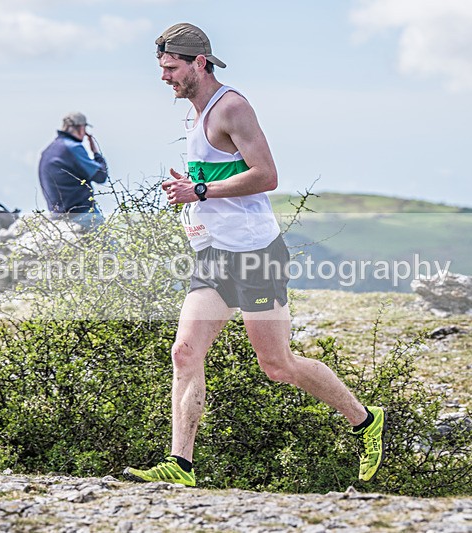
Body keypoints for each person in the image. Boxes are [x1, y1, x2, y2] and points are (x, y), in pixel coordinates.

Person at [123, 23, 385, 487]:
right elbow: (218, 180)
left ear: (198, 63)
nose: (164, 78)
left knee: (277, 366)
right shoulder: (195, 113)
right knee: (184, 352)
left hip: (254, 255)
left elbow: (267, 176)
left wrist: (199, 189)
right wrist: (190, 190)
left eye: (171, 68)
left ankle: (364, 420)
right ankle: (180, 465)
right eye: (162, 68)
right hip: (214, 257)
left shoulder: (233, 107)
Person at [38, 112, 108, 229]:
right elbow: (101, 176)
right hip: (81, 214)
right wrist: (96, 153)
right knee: (111, 246)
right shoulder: (73, 148)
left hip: (58, 216)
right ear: (81, 128)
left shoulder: (48, 150)